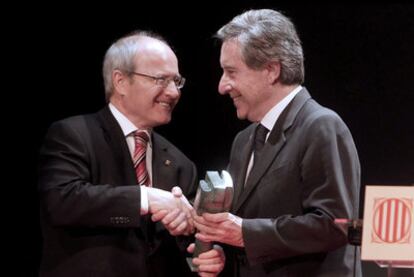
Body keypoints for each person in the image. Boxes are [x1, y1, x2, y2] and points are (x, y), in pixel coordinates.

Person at [38, 30, 224, 277]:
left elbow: (185, 248)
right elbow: (62, 201)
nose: (173, 92)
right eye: (161, 79)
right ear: (120, 81)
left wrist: (203, 249)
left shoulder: (180, 163)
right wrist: (146, 198)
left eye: (176, 81)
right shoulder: (73, 134)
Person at [193, 9, 361, 276]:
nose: (222, 86)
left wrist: (245, 234)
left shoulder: (321, 126)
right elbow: (243, 229)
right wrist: (224, 252)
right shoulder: (244, 140)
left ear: (271, 70)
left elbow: (336, 224)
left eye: (231, 72)